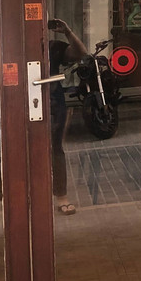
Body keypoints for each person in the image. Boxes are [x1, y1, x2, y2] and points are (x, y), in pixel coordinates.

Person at [48, 18, 88, 215]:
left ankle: (61, 196)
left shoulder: (52, 47)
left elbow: (81, 53)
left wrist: (67, 32)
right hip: (22, 104)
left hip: (53, 103)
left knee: (56, 148)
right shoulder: (13, 45)